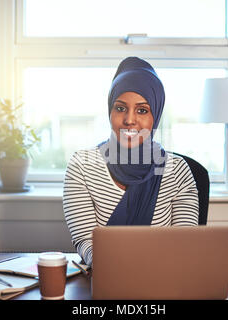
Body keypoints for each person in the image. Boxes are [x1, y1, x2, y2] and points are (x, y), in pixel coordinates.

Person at [63, 57, 199, 266]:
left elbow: (183, 247)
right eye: (120, 108)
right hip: (104, 277)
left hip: (162, 280)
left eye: (142, 110)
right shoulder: (82, 165)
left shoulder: (177, 170)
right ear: (110, 111)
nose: (129, 119)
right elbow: (86, 243)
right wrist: (115, 270)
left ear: (156, 114)